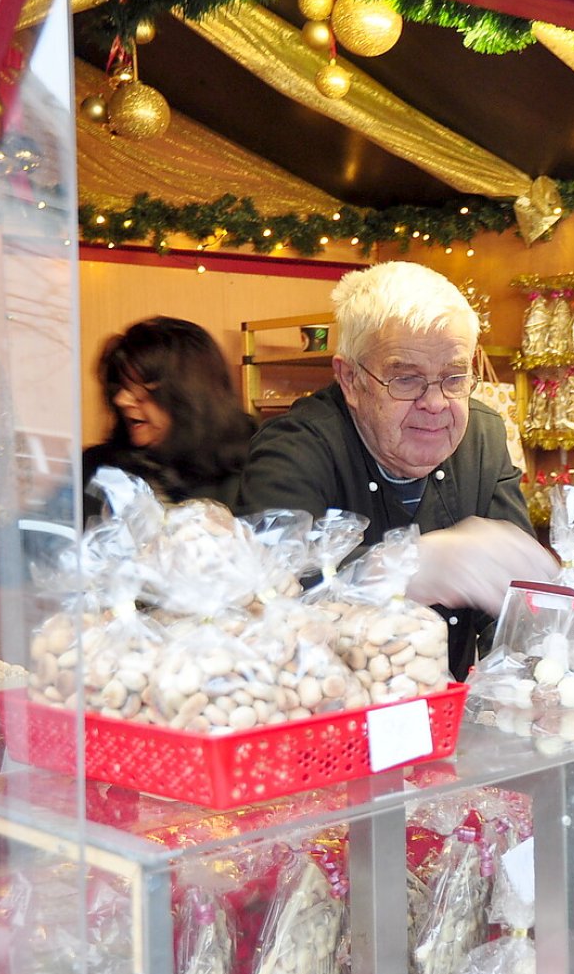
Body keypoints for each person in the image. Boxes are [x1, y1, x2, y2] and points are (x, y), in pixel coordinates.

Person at [238, 261, 555, 677]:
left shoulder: (483, 436)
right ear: (350, 379)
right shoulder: (294, 447)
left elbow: (510, 600)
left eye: (454, 377)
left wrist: (536, 660)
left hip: (446, 713)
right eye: (406, 380)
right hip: (329, 708)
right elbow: (266, 597)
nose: (436, 403)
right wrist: (400, 567)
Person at [83, 316, 255, 513]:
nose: (121, 400)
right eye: (120, 386)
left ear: (187, 394)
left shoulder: (252, 473)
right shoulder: (97, 470)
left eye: (137, 389)